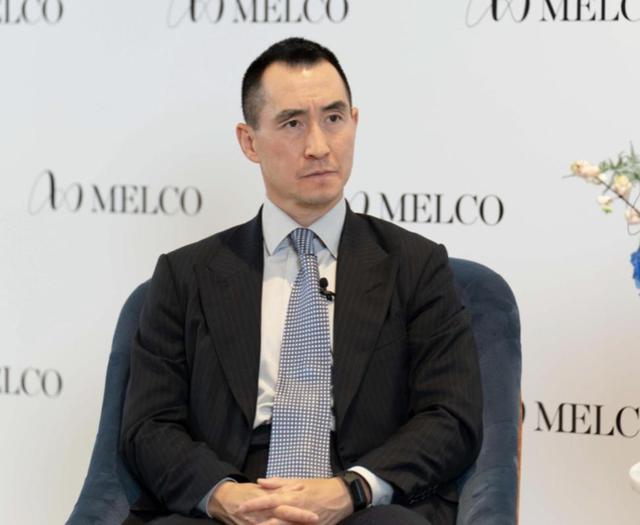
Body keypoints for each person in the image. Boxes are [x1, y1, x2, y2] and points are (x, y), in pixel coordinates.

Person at [120, 37, 483, 525]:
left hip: (362, 498)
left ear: (355, 122)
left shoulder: (415, 265)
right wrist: (225, 496)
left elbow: (451, 416)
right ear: (249, 141)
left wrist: (353, 489)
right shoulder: (185, 275)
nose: (318, 146)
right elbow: (149, 425)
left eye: (333, 118)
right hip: (231, 492)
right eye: (292, 123)